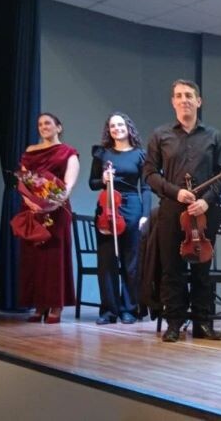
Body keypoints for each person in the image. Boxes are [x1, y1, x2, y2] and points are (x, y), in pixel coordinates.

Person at [143, 79, 221, 343]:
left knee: (202, 269)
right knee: (172, 269)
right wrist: (175, 192)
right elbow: (149, 173)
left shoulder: (213, 136)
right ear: (173, 102)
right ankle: (174, 323)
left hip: (203, 212)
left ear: (198, 101)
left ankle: (202, 322)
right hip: (172, 210)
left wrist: (208, 200)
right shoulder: (160, 135)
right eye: (179, 96)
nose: (184, 100)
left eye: (189, 95)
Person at [89, 112, 151, 325]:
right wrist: (103, 179)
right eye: (112, 126)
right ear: (109, 130)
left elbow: (146, 187)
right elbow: (92, 183)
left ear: (128, 127)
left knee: (130, 262)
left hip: (132, 207)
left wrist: (145, 215)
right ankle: (109, 311)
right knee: (106, 262)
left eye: (120, 124)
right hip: (107, 208)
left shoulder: (140, 155)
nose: (117, 128)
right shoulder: (101, 154)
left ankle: (129, 309)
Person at [18, 112, 79, 323]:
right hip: (32, 209)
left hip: (57, 210)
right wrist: (31, 202)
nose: (43, 127)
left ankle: (55, 305)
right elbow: (24, 181)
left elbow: (68, 185)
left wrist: (52, 203)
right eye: (40, 124)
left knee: (55, 258)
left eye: (48, 123)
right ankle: (39, 304)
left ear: (58, 127)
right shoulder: (30, 151)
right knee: (34, 258)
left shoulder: (68, 152)